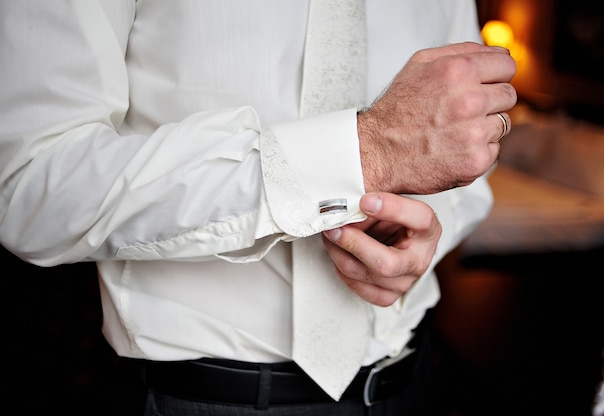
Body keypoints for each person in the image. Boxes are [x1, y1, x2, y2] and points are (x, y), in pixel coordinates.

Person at [0, 1, 516, 415]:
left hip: (415, 380)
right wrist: (362, 152)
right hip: (205, 400)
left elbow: (466, 150)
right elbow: (29, 187)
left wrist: (426, 227)